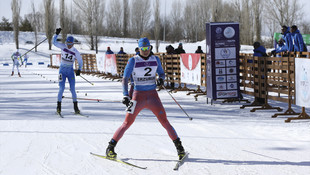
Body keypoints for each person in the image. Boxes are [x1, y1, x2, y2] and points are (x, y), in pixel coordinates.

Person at [106, 37, 185, 160]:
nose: (145, 51)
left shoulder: (155, 59)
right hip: (137, 96)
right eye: (142, 48)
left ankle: (180, 149)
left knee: (165, 121)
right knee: (127, 122)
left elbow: (162, 73)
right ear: (138, 49)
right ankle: (110, 148)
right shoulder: (133, 60)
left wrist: (161, 79)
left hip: (153, 96)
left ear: (150, 48)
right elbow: (125, 79)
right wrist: (125, 95)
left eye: (147, 48)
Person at [53, 28, 83, 115]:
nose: (69, 45)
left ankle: (76, 108)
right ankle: (58, 107)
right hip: (62, 71)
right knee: (61, 88)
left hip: (70, 71)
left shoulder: (75, 51)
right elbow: (54, 43)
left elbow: (80, 61)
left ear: (73, 43)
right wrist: (56, 34)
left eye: (70, 44)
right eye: (68, 43)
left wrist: (79, 69)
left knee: (73, 89)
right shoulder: (63, 46)